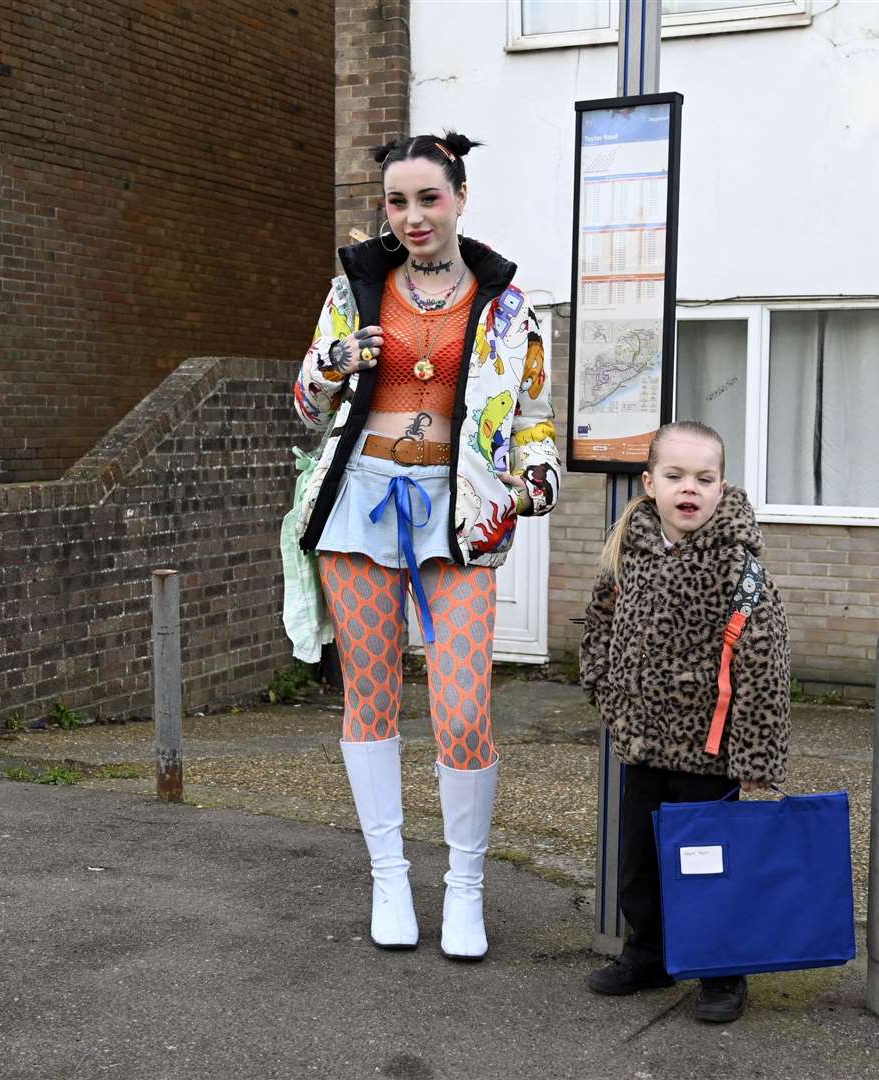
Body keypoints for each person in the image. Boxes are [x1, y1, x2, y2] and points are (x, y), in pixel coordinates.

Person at [290, 130, 561, 961]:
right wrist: (336, 362)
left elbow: (532, 419)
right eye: (397, 201)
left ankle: (467, 889)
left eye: (427, 198)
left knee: (463, 706)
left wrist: (536, 478)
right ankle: (389, 878)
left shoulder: (509, 307)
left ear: (460, 199)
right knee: (369, 698)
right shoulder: (355, 292)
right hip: (361, 508)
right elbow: (305, 406)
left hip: (461, 517)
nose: (411, 216)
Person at [579, 421, 792, 1023]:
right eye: (675, 477)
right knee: (640, 861)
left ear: (722, 487)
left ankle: (723, 971)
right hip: (643, 745)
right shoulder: (632, 552)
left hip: (709, 753)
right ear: (649, 484)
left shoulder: (736, 565)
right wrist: (608, 694)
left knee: (708, 865)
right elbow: (598, 625)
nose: (689, 489)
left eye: (704, 478)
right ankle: (645, 954)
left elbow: (765, 659)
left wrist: (755, 761)